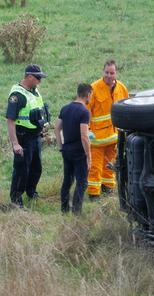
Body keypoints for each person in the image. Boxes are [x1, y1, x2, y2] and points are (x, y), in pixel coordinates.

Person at [5, 64, 49, 208]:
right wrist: (15, 144)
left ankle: (31, 192)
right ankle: (16, 199)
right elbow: (10, 120)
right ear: (29, 77)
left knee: (36, 168)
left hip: (35, 136)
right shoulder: (17, 96)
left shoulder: (34, 91)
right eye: (38, 78)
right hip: (23, 137)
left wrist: (42, 129)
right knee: (21, 170)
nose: (40, 81)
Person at [86, 59, 129, 199]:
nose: (109, 76)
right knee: (95, 167)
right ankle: (93, 193)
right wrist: (87, 131)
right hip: (97, 139)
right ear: (102, 72)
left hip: (114, 137)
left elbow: (126, 108)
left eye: (112, 73)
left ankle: (108, 188)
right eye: (107, 72)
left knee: (110, 165)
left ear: (116, 73)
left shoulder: (121, 88)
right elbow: (86, 112)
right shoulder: (93, 89)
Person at [54, 84, 93, 214]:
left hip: (67, 150)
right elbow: (84, 136)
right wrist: (89, 156)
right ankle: (77, 212)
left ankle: (64, 210)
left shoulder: (65, 108)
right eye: (90, 96)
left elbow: (57, 128)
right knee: (82, 182)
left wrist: (61, 147)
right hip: (79, 153)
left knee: (68, 181)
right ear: (88, 95)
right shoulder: (84, 112)